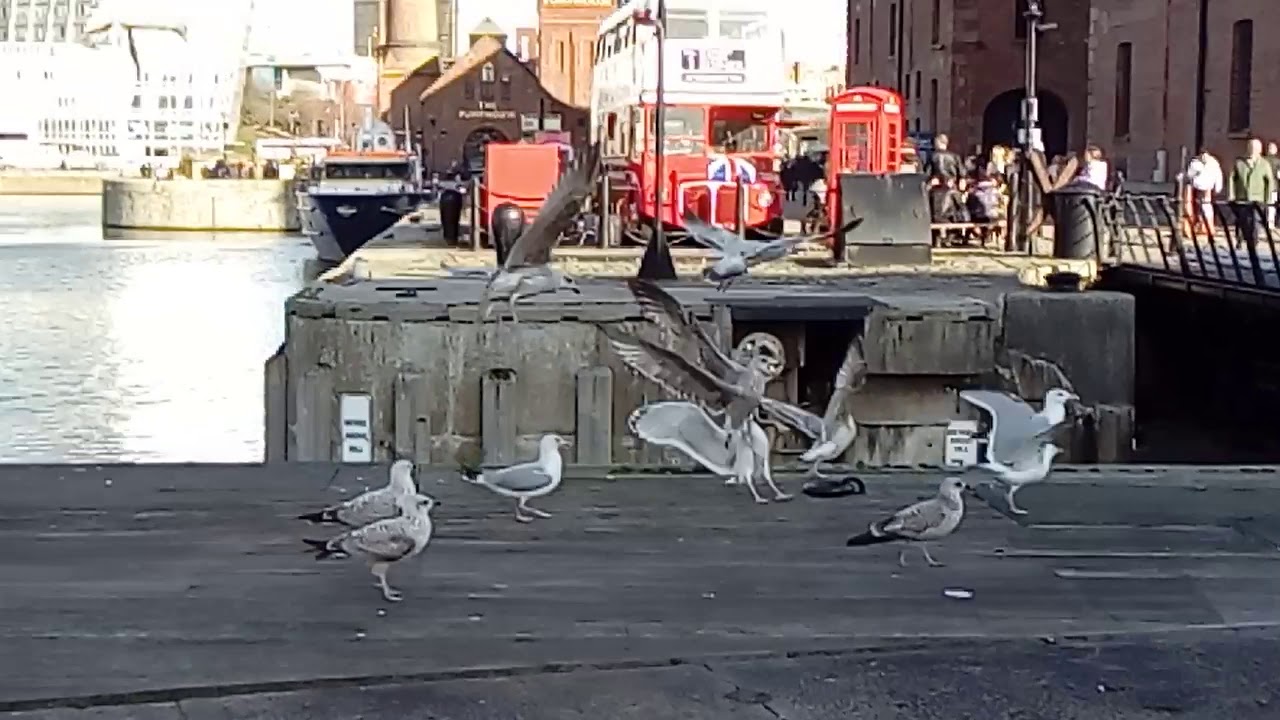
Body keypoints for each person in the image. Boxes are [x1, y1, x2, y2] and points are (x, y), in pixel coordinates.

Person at [1227, 137, 1276, 249]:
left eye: (1255, 148)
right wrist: (1231, 194)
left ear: (1260, 150)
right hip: (1241, 198)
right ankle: (1239, 240)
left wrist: (1268, 198)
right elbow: (1231, 178)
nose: (1252, 150)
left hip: (1258, 198)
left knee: (1255, 221)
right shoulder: (1239, 162)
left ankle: (1253, 241)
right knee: (1241, 220)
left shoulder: (1264, 164)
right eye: (1251, 147)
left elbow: (1269, 182)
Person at [1184, 148, 1223, 237]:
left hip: (1207, 188)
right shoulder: (1195, 164)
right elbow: (1189, 175)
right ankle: (1198, 226)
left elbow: (1218, 176)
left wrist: (1217, 188)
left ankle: (1207, 226)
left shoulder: (1213, 164)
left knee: (1206, 207)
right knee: (1196, 208)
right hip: (1196, 188)